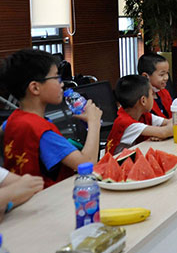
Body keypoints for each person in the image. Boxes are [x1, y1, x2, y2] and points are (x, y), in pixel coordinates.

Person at [0, 49, 103, 187]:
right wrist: (94, 122)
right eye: (56, 78)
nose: (62, 84)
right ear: (35, 88)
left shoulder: (11, 121)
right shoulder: (41, 131)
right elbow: (87, 164)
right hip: (48, 197)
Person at [105, 75, 173, 156]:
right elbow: (164, 131)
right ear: (143, 101)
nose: (153, 98)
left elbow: (170, 123)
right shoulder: (126, 123)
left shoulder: (143, 114)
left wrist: (163, 133)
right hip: (116, 162)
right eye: (152, 94)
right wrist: (163, 133)